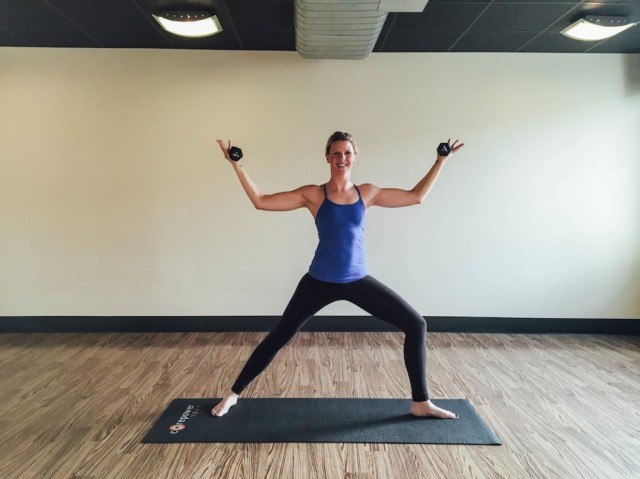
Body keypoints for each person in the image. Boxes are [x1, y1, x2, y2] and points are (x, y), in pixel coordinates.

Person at [212, 131, 464, 419]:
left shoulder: (367, 193)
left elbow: (416, 197)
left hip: (357, 281)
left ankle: (421, 402)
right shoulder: (313, 194)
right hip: (319, 282)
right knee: (280, 335)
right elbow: (261, 201)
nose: (341, 158)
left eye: (347, 153)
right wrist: (237, 165)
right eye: (336, 153)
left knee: (416, 324)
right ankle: (232, 394)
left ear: (354, 157)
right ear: (327, 158)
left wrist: (440, 160)